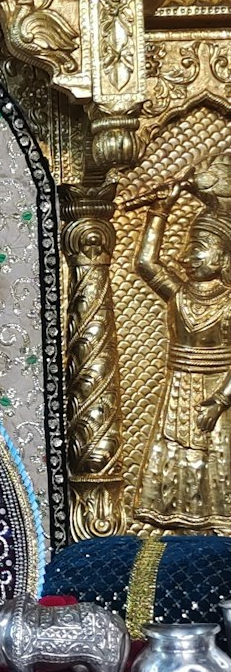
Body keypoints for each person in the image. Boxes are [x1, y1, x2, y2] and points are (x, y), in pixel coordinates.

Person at [134, 185, 231, 531]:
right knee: (178, 456)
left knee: (219, 457)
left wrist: (219, 401)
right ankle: (183, 525)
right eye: (189, 248)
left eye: (198, 250)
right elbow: (146, 263)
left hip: (216, 393)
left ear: (223, 258)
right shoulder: (179, 295)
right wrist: (159, 212)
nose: (186, 257)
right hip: (179, 389)